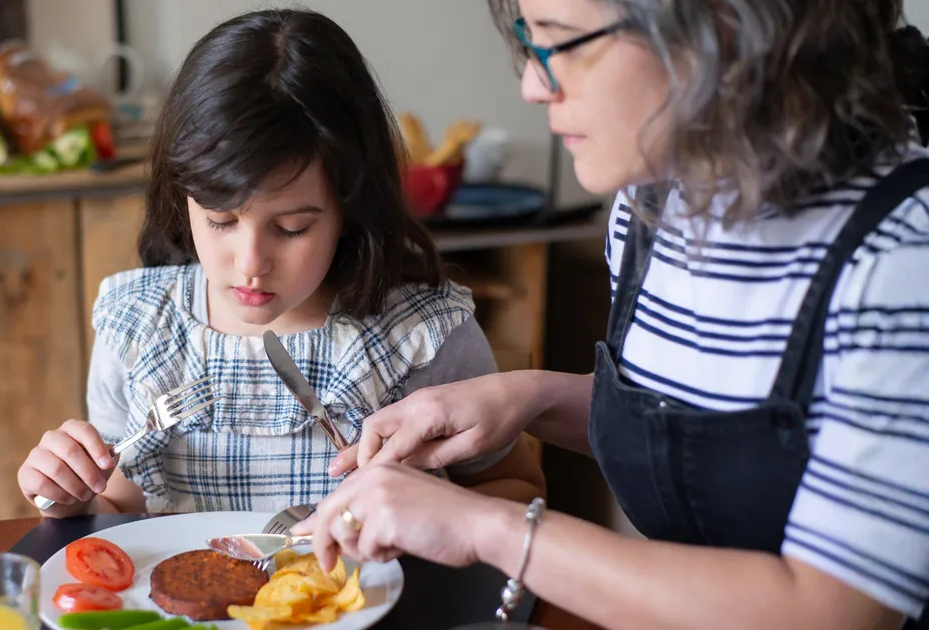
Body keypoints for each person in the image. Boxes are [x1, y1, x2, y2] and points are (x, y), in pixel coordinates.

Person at [294, 1, 929, 628]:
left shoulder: (901, 254)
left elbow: (832, 611)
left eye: (561, 42)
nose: (533, 83)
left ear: (722, 30)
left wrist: (483, 526)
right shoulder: (654, 203)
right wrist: (527, 397)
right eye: (529, 40)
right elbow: (711, 430)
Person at [14, 8, 545, 517]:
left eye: (292, 228)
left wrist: (431, 513)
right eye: (221, 220)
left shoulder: (423, 337)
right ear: (181, 198)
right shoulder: (139, 328)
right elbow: (121, 508)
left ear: (350, 207)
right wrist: (74, 498)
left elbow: (519, 489)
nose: (250, 263)